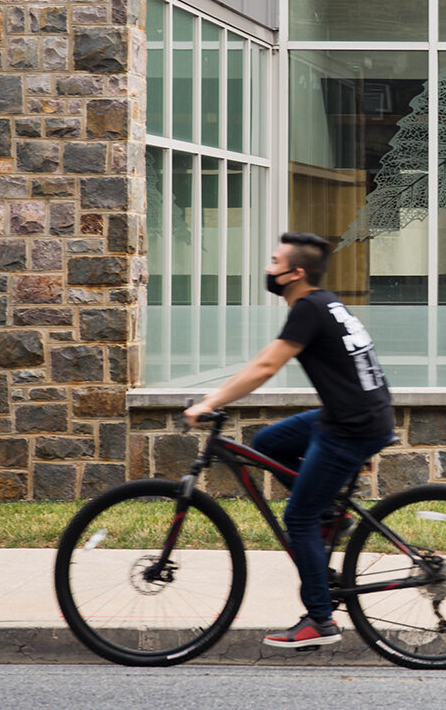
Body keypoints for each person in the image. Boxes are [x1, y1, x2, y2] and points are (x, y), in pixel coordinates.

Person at [184, 232, 396, 648]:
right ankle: (331, 516)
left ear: (295, 273)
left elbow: (266, 366)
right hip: (353, 414)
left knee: (297, 518)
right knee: (266, 443)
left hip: (352, 426)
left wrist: (211, 400)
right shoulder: (325, 302)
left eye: (274, 261)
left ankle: (320, 620)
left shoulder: (308, 309)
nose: (268, 268)